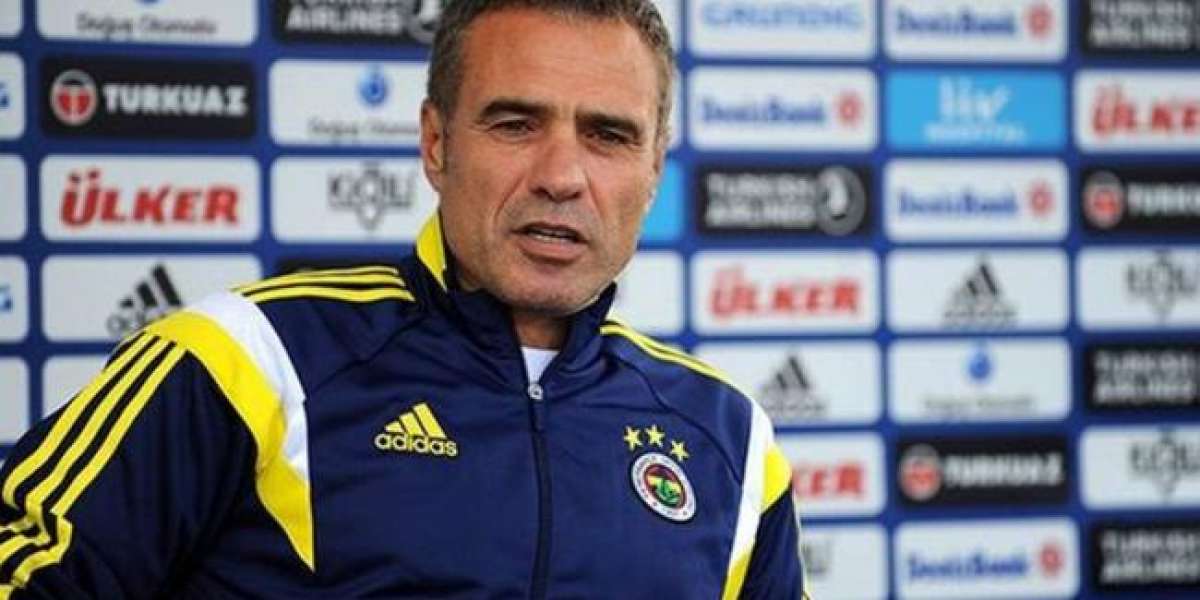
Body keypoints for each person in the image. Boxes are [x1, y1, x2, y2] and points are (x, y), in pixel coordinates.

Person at [0, 0, 807, 597]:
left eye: (608, 135)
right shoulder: (244, 364)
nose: (562, 175)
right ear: (435, 142)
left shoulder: (730, 439)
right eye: (516, 124)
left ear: (654, 167)